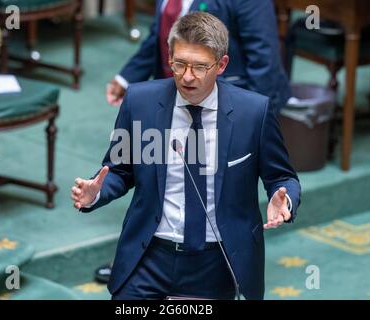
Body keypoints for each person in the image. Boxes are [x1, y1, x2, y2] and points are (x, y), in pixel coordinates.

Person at [72, 12, 301, 300]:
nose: (187, 76)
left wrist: (284, 198)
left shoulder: (252, 113)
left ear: (221, 65)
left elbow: (282, 176)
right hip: (150, 256)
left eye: (199, 67)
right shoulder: (139, 102)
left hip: (215, 262)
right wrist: (96, 192)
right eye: (179, 64)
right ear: (169, 59)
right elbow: (119, 171)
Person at [106, 0, 290, 114]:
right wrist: (126, 78)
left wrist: (252, 116)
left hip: (226, 98)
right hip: (174, 94)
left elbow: (264, 58)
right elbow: (160, 35)